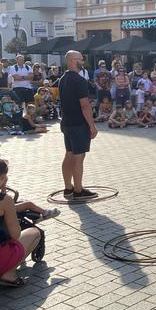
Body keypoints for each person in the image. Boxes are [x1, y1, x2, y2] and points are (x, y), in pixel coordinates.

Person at [58, 51, 98, 200]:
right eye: (81, 59)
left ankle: (68, 188)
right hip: (78, 124)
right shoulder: (80, 81)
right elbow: (85, 105)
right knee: (78, 157)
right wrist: (92, 126)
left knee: (69, 154)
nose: (83, 62)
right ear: (74, 61)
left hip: (66, 123)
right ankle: (78, 190)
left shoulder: (63, 79)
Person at [0, 160, 43, 287]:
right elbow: (15, 235)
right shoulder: (5, 200)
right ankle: (9, 274)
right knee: (34, 233)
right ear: (2, 178)